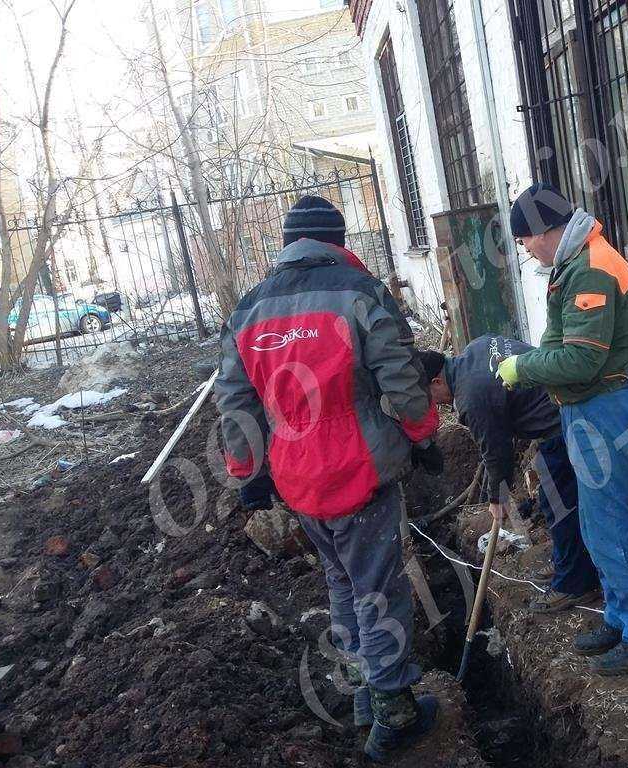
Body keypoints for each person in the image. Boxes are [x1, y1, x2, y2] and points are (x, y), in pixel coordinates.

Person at [215, 195, 444, 761]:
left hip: (299, 478)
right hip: (358, 467)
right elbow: (402, 376)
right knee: (380, 588)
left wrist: (248, 473)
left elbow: (235, 403)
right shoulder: (359, 294)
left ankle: (368, 690)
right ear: (336, 241)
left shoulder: (248, 310)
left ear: (289, 243)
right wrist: (424, 435)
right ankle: (393, 709)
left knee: (343, 581)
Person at [496, 183, 628, 677]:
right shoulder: (574, 263)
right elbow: (568, 346)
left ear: (546, 232)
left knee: (612, 529)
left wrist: (523, 368)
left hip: (604, 410)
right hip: (589, 409)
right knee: (595, 525)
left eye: (527, 241)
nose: (527, 250)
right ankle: (619, 617)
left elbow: (581, 358)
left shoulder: (590, 268)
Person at [418, 336, 600, 614]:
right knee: (558, 502)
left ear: (436, 382)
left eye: (430, 397)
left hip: (561, 425)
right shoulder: (477, 348)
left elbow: (497, 451)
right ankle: (569, 562)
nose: (435, 405)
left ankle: (575, 584)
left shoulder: (471, 397)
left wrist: (497, 496)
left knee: (559, 506)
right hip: (564, 408)